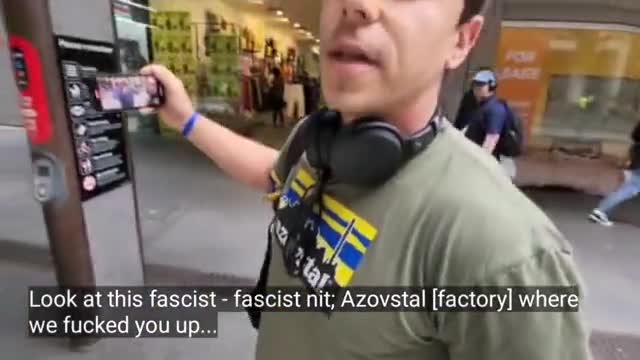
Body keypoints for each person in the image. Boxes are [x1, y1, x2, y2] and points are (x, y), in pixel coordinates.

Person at [142, 0, 591, 359]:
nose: (356, 5)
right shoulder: (316, 137)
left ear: (462, 39)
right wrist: (185, 119)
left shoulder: (506, 252)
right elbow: (274, 175)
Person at [589, 120, 640, 226]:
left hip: (636, 155)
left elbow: (634, 136)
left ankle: (600, 211)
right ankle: (600, 211)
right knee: (629, 189)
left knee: (627, 189)